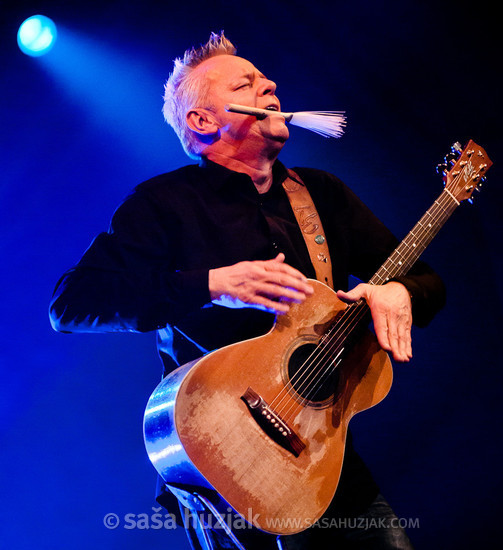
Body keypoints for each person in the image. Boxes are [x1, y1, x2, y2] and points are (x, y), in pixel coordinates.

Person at [49, 32, 445, 549]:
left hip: (317, 455)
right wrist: (211, 284)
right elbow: (72, 304)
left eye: (265, 79)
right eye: (247, 82)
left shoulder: (320, 193)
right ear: (203, 121)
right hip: (220, 458)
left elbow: (429, 281)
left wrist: (399, 293)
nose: (271, 84)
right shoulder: (163, 205)